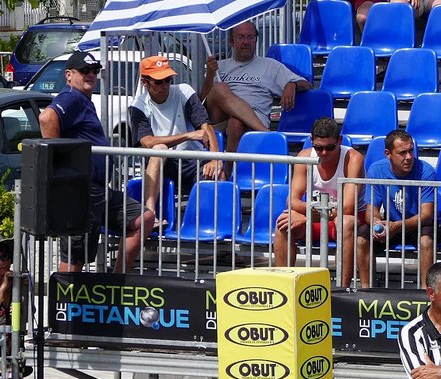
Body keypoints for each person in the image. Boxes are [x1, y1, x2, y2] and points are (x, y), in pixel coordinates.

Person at [38, 51, 155, 273]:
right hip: (81, 190)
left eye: (95, 71)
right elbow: (47, 118)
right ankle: (64, 305)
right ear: (69, 75)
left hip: (99, 191)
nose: (91, 75)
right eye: (84, 71)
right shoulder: (71, 96)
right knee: (75, 256)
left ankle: (116, 282)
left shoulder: (82, 100)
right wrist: (59, 163)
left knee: (144, 217)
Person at [129, 55, 223, 222]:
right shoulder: (139, 105)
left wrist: (215, 159)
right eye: (158, 82)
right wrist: (187, 135)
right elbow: (147, 142)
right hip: (163, 164)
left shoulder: (184, 91)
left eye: (168, 80)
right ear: (145, 82)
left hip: (191, 160)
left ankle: (207, 225)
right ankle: (150, 214)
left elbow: (206, 126)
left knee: (218, 173)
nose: (165, 85)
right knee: (159, 150)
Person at [200, 21, 311, 162]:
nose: (246, 42)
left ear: (256, 40)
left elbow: (307, 84)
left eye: (250, 37)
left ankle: (227, 172)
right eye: (240, 37)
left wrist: (292, 84)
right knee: (220, 89)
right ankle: (267, 134)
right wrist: (210, 75)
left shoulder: (270, 65)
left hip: (254, 117)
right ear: (231, 41)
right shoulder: (218, 67)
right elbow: (205, 100)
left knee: (236, 123)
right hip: (221, 119)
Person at [274, 116, 365, 282]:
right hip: (319, 217)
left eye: (330, 148)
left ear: (340, 140)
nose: (324, 153)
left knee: (345, 222)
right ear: (311, 141)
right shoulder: (304, 157)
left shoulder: (353, 158)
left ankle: (342, 288)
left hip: (346, 220)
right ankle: (284, 284)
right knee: (283, 224)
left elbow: (348, 208)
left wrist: (308, 217)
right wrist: (311, 217)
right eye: (318, 148)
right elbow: (292, 201)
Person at [363, 130, 437, 289]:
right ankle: (366, 290)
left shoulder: (426, 171)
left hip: (417, 224)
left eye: (411, 150)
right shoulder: (376, 170)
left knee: (426, 240)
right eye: (402, 152)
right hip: (392, 224)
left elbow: (426, 215)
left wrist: (396, 226)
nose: (409, 157)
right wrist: (377, 224)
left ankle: (426, 292)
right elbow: (370, 211)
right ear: (388, 154)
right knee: (362, 238)